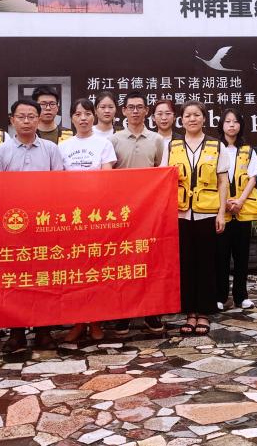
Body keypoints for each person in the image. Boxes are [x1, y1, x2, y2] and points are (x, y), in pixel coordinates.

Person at [0, 98, 64, 352]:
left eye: (31, 116)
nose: (26, 121)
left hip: (44, 225)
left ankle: (44, 331)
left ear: (39, 119)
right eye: (21, 117)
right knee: (15, 279)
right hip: (13, 226)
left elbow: (60, 187)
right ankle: (16, 332)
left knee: (44, 278)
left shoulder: (51, 149)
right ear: (11, 120)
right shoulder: (1, 151)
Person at [162, 100, 227, 336]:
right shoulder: (172, 146)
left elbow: (223, 182)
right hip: (180, 214)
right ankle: (189, 313)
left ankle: (204, 313)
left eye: (197, 115)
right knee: (186, 264)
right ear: (181, 120)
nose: (192, 119)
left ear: (204, 119)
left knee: (207, 264)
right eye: (188, 115)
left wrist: (221, 213)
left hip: (207, 213)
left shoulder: (216, 145)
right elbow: (164, 180)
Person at [58, 98, 116, 342]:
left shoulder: (104, 144)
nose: (83, 118)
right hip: (71, 217)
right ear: (71, 118)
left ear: (94, 116)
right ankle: (78, 321)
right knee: (75, 271)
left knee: (96, 269)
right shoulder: (63, 146)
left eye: (87, 113)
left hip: (96, 215)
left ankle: (96, 321)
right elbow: (57, 182)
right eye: (78, 114)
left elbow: (107, 179)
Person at [109, 91, 166, 337]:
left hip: (148, 212)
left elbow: (161, 172)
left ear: (146, 111)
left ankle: (150, 312)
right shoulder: (113, 140)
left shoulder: (157, 140)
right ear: (123, 111)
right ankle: (123, 314)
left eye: (139, 107)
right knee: (123, 263)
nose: (135, 111)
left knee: (149, 262)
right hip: (121, 213)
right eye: (130, 107)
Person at [215, 109, 257, 311]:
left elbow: (253, 177)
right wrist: (225, 203)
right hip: (221, 210)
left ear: (241, 125)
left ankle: (241, 296)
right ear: (222, 125)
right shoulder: (214, 149)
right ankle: (220, 296)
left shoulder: (248, 150)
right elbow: (212, 178)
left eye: (235, 121)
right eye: (227, 121)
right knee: (221, 256)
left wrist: (241, 201)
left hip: (243, 210)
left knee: (242, 256)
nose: (231, 125)